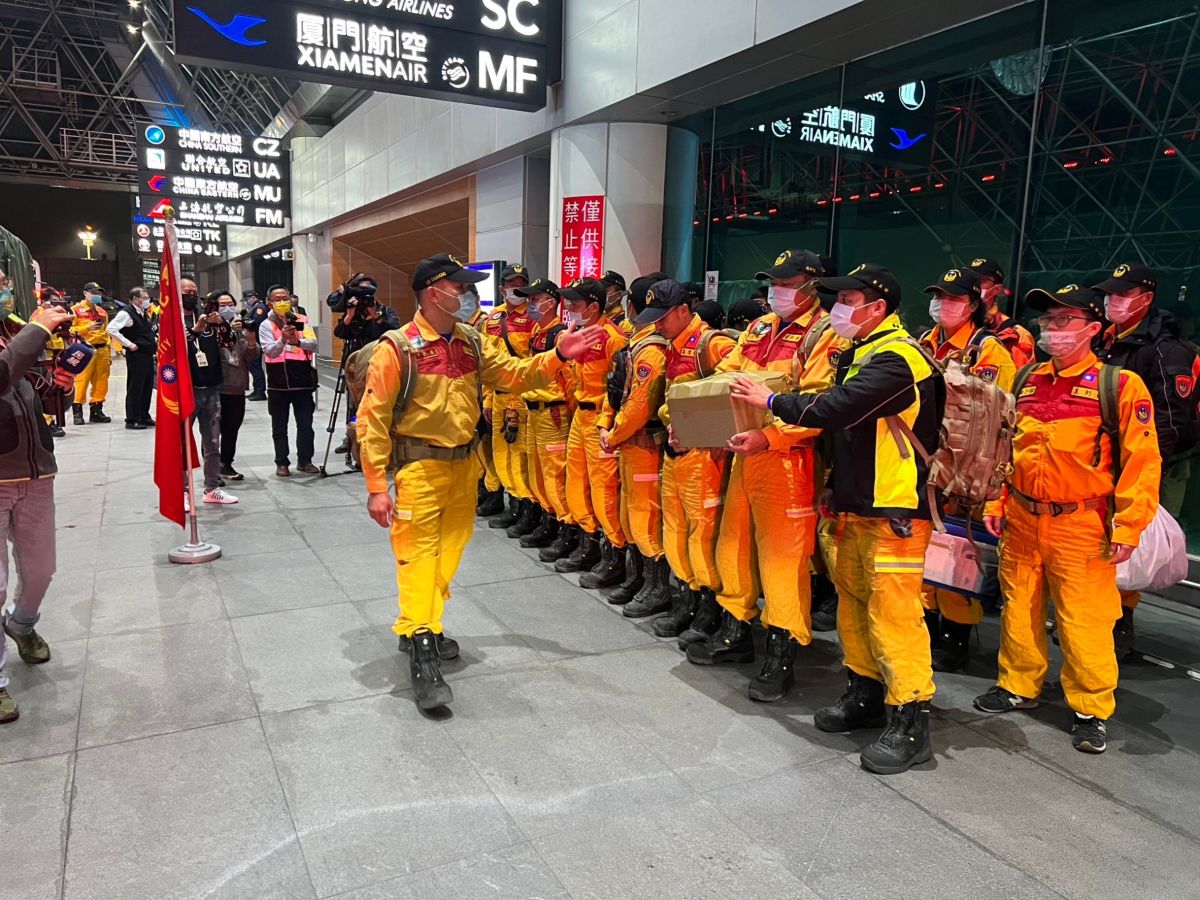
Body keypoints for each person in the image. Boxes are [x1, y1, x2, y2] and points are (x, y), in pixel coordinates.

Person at [356, 252, 602, 709]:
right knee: (417, 556)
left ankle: (417, 625)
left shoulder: (470, 340)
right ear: (435, 292)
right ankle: (422, 647)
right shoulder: (398, 347)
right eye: (460, 286)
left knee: (448, 555)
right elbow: (371, 420)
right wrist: (375, 485)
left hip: (465, 467)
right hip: (420, 470)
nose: (469, 294)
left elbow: (511, 375)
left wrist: (557, 356)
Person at [731, 263, 941, 775]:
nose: (840, 308)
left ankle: (911, 721)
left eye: (850, 298)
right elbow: (848, 436)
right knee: (853, 609)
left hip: (895, 512)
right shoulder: (860, 352)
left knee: (895, 617)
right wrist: (831, 488)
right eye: (839, 297)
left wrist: (772, 400)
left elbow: (839, 408)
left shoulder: (899, 357)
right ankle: (865, 694)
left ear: (879, 306)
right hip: (854, 506)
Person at [973, 284, 1161, 754]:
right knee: (1018, 607)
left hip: (1082, 523)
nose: (1052, 330)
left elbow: (1142, 461)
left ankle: (1090, 708)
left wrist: (1129, 526)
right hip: (1021, 516)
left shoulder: (1117, 385)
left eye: (1064, 321)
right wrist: (996, 503)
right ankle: (1019, 684)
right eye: (1047, 321)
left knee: (1085, 619)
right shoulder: (1026, 379)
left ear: (1093, 329)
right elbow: (1005, 447)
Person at [703, 249, 847, 702]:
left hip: (789, 461)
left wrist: (772, 438)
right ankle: (735, 629)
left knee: (783, 561)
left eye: (788, 283)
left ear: (813, 287)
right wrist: (694, 416)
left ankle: (781, 653)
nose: (777, 291)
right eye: (775, 283)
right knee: (734, 543)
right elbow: (725, 376)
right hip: (744, 453)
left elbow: (821, 403)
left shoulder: (826, 336)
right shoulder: (760, 327)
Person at [1095, 262, 1199, 659]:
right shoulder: (1106, 341)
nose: (1112, 301)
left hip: (1151, 466)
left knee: (1132, 547)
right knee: (1106, 547)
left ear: (1146, 299)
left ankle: (1121, 625)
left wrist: (1137, 473)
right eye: (1110, 294)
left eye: (1122, 294)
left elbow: (1170, 422)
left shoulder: (1165, 352)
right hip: (1106, 465)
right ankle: (1103, 618)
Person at [917, 267, 1016, 672]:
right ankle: (926, 626)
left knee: (958, 555)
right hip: (925, 463)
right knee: (923, 553)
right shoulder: (924, 342)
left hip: (965, 469)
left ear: (973, 305)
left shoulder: (990, 351)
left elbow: (996, 419)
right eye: (939, 296)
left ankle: (955, 638)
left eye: (954, 298)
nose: (943, 304)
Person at [631, 280, 736, 627]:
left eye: (663, 318)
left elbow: (734, 398)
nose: (657, 325)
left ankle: (710, 609)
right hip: (676, 454)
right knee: (674, 528)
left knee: (703, 532)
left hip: (705, 457)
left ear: (682, 311)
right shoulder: (672, 346)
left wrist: (702, 433)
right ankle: (688, 599)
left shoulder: (712, 345)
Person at [0, 297, 76, 723]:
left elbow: (23, 385)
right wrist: (38, 330)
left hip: (35, 475)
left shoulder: (11, 331)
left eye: (5, 284)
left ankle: (22, 624)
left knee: (41, 570)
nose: (6, 293)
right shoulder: (25, 332)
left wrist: (57, 386)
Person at [598, 273, 670, 605]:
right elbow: (615, 393)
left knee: (644, 517)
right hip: (630, 443)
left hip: (643, 444)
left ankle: (656, 588)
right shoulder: (640, 342)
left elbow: (639, 405)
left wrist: (613, 433)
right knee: (630, 515)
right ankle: (638, 577)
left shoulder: (651, 349)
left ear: (631, 305)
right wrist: (608, 426)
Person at [556, 278, 630, 583]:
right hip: (579, 418)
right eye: (568, 304)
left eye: (575, 304)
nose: (569, 309)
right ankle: (588, 543)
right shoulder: (575, 335)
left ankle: (614, 552)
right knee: (575, 482)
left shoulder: (614, 338)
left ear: (594, 307)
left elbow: (620, 390)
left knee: (603, 489)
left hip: (602, 421)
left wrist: (609, 425)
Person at [514, 279, 576, 552]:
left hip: (553, 414)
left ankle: (567, 531)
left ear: (552, 301)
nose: (531, 304)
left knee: (555, 476)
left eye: (536, 298)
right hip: (532, 412)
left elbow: (570, 380)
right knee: (536, 474)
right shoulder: (537, 332)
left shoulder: (560, 335)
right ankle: (548, 521)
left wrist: (572, 416)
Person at [482, 264, 535, 531]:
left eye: (521, 283)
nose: (517, 288)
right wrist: (488, 399)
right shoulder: (492, 319)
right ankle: (511, 504)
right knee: (501, 453)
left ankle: (525, 510)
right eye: (512, 284)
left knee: (520, 455)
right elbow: (486, 364)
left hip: (522, 397)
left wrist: (518, 400)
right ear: (502, 288)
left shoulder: (534, 317)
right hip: (499, 396)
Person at [330, 274, 402, 454]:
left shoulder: (385, 311)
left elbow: (395, 331)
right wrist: (350, 315)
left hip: (381, 364)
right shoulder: (353, 311)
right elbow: (340, 333)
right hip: (356, 365)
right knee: (354, 404)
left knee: (381, 402)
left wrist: (376, 316)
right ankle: (352, 437)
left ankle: (382, 439)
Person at [181, 280, 238, 504]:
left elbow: (230, 343)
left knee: (213, 441)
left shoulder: (206, 314)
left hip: (212, 387)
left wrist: (222, 324)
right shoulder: (171, 319)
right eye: (187, 292)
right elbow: (170, 349)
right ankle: (184, 491)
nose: (192, 296)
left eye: (195, 292)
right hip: (186, 389)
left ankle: (212, 487)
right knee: (183, 443)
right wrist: (195, 331)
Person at [259, 285, 319, 477]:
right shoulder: (266, 325)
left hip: (302, 380)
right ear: (269, 302)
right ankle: (282, 462)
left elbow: (314, 344)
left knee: (305, 424)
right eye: (277, 298)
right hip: (277, 382)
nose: (282, 301)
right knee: (279, 426)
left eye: (285, 297)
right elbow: (270, 350)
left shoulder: (301, 319)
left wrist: (297, 341)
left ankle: (305, 460)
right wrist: (283, 340)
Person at [214, 291, 259, 481]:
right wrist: (228, 331)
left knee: (232, 428)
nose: (227, 307)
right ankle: (212, 467)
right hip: (216, 386)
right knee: (213, 430)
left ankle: (226, 464)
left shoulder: (242, 325)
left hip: (237, 386)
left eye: (230, 304)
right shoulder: (209, 327)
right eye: (222, 304)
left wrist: (250, 341)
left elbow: (252, 355)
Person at [967, 258, 1035, 367]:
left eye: (981, 281)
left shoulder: (1016, 334)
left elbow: (1019, 381)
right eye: (970, 279)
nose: (974, 285)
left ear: (997, 289)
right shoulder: (951, 322)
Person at [106, 286, 157, 430]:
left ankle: (143, 415)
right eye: (145, 298)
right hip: (136, 355)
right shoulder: (126, 313)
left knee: (147, 385)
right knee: (136, 386)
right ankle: (132, 418)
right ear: (135, 299)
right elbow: (111, 329)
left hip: (146, 354)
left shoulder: (142, 312)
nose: (147, 301)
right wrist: (128, 344)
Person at [69, 281, 112, 424]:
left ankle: (96, 410)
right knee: (81, 380)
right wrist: (88, 328)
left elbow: (106, 332)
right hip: (84, 349)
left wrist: (109, 351)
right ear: (85, 294)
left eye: (99, 293)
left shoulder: (102, 312)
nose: (97, 296)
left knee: (102, 381)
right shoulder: (75, 310)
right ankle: (77, 411)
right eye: (94, 293)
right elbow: (69, 331)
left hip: (102, 350)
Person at [243, 289, 268, 400]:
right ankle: (256, 389)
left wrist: (244, 322)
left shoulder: (259, 308)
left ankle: (260, 391)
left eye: (247, 299)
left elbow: (256, 323)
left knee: (255, 367)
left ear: (253, 297)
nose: (246, 301)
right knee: (253, 366)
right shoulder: (254, 307)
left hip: (256, 340)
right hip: (253, 340)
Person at [599, 270, 633, 336]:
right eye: (599, 290)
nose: (600, 294)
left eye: (605, 291)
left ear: (619, 294)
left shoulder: (624, 323)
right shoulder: (597, 317)